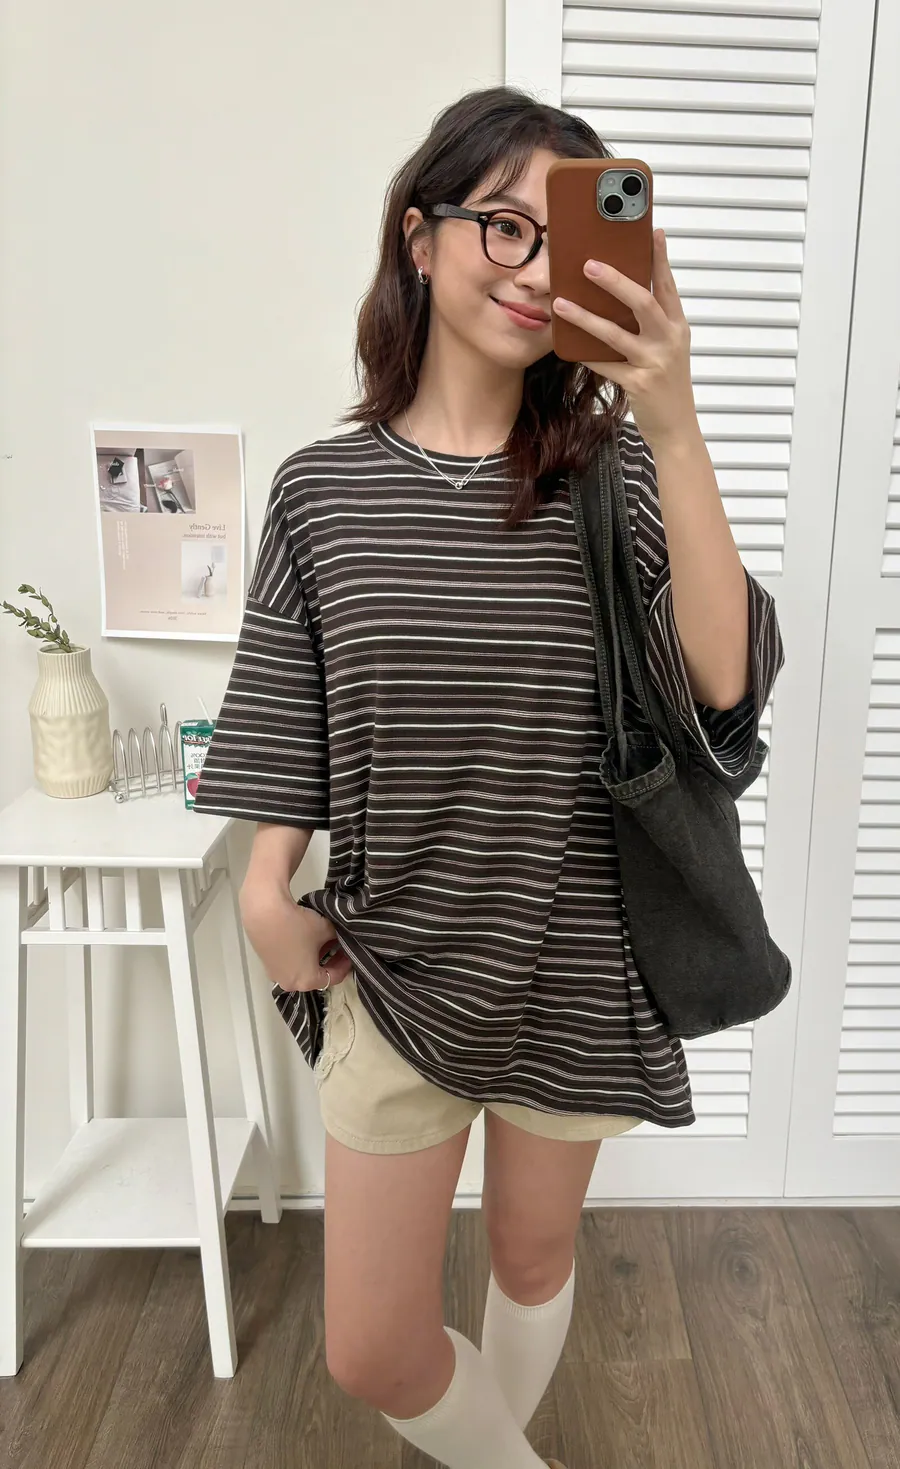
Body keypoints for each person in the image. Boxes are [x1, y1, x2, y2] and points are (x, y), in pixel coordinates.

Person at [193, 85, 784, 1469]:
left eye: (565, 241)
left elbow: (722, 683)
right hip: (390, 956)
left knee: (529, 1262)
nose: (532, 267)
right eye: (502, 225)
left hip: (577, 955)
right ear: (421, 237)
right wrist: (266, 885)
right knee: (373, 1347)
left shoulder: (615, 478)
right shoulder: (321, 491)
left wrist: (677, 423)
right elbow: (288, 703)